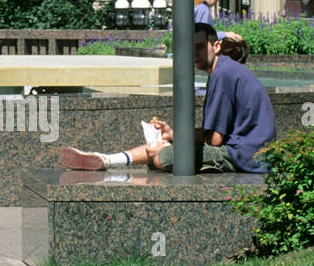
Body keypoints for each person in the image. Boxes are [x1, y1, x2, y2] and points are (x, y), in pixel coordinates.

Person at [61, 22, 276, 173]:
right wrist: (174, 136)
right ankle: (106, 160)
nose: (194, 55)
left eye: (200, 47)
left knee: (162, 157)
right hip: (250, 151)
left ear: (217, 46)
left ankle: (109, 160)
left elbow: (215, 140)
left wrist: (172, 142)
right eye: (190, 49)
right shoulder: (226, 70)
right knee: (163, 150)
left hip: (244, 156)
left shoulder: (223, 74)